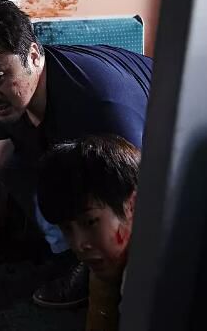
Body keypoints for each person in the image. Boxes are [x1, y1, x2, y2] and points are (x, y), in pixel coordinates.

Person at [0, 0, 152, 316]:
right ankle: (74, 259)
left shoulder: (100, 107)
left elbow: (140, 199)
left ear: (34, 56)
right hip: (91, 153)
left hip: (160, 152)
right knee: (14, 169)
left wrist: (108, 293)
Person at [37, 135, 140, 330]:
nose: (79, 244)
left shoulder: (157, 278)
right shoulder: (108, 261)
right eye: (66, 228)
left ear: (132, 206)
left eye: (91, 222)